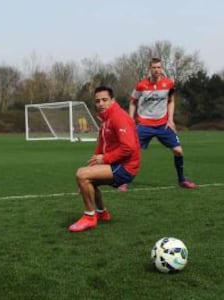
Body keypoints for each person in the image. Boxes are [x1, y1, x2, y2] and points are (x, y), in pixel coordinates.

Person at [117, 57, 196, 192]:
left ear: (162, 68)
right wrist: (130, 120)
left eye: (159, 67)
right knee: (131, 152)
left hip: (163, 125)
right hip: (144, 125)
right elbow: (133, 102)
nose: (156, 70)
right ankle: (123, 181)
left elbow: (171, 101)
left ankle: (182, 180)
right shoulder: (141, 85)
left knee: (178, 151)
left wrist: (170, 119)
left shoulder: (169, 84)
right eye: (154, 67)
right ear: (150, 69)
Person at [69, 86, 140, 232]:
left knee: (82, 175)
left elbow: (129, 148)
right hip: (116, 164)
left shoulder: (119, 117)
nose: (100, 103)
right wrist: (90, 170)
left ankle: (90, 217)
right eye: (97, 101)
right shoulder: (105, 120)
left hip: (126, 167)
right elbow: (100, 148)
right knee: (86, 178)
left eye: (104, 100)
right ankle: (102, 213)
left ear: (112, 101)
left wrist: (105, 159)